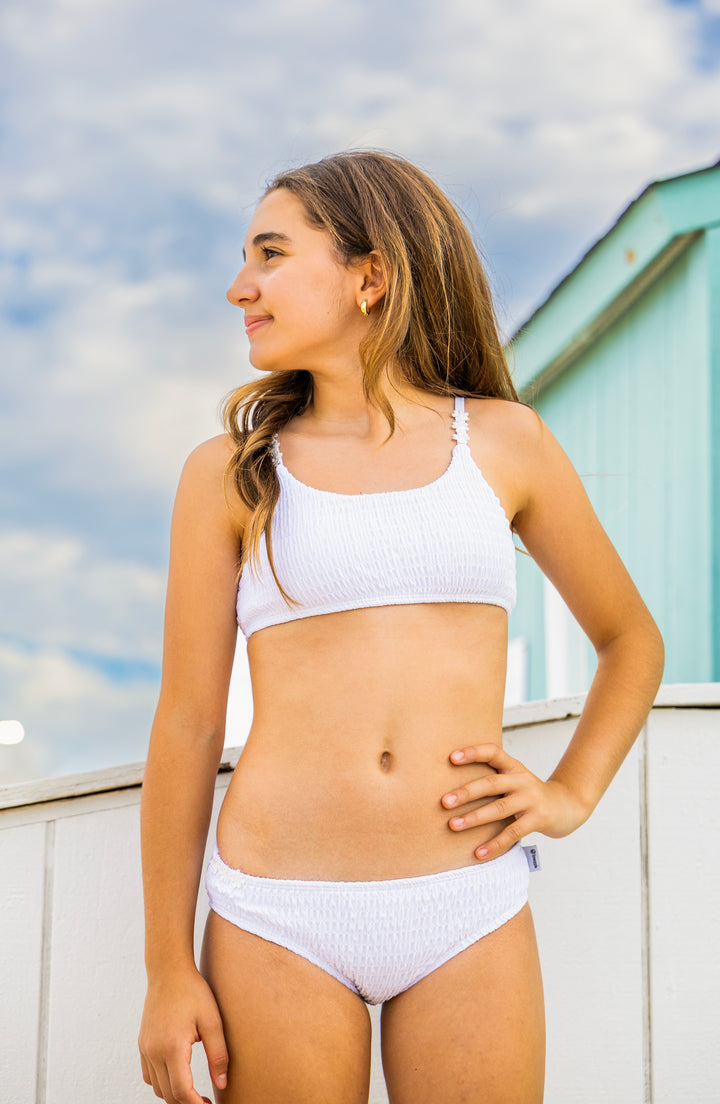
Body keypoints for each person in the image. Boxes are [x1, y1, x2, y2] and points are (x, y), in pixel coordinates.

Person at [138, 150, 664, 1104]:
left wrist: (570, 795)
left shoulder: (504, 442)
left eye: (270, 253)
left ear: (369, 275)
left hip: (465, 901)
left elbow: (632, 641)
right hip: (276, 913)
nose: (238, 286)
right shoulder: (229, 472)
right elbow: (186, 725)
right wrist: (168, 968)